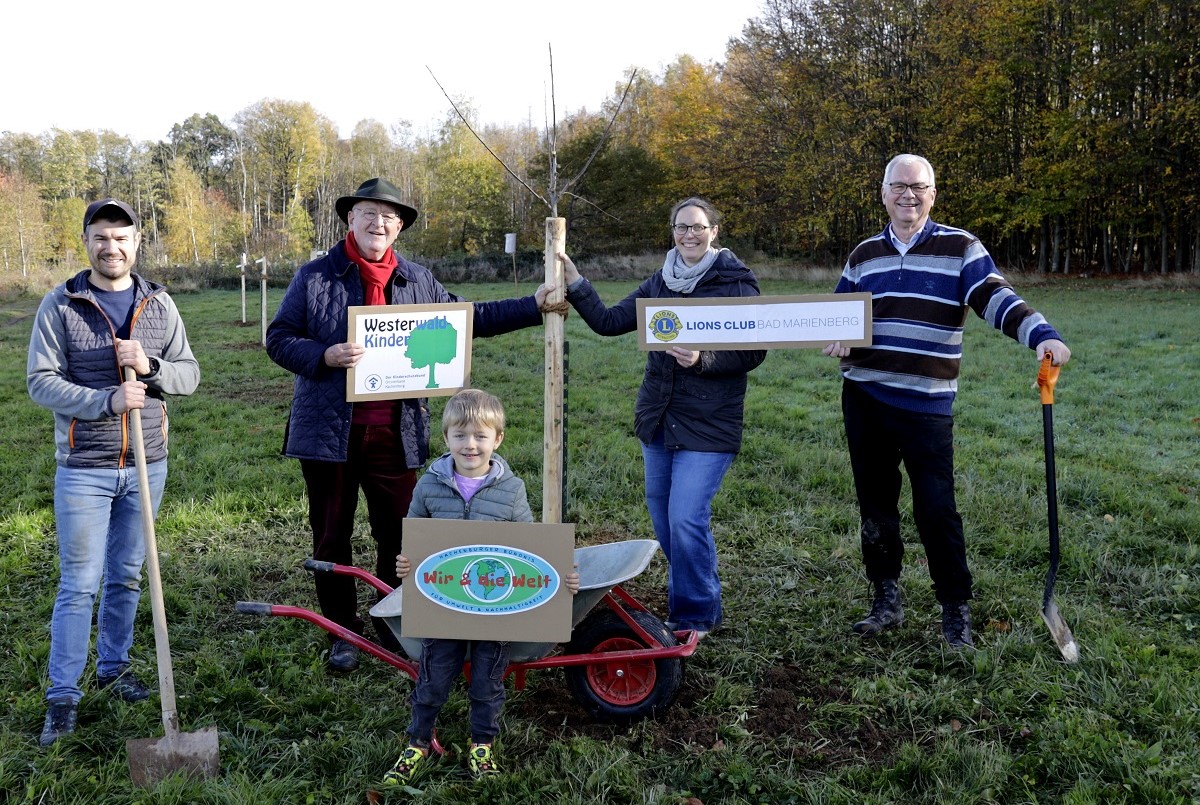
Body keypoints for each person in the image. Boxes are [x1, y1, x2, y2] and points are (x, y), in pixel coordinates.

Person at [266, 178, 553, 673]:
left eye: (389, 216)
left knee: (399, 534)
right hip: (329, 433)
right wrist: (324, 354)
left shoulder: (418, 280)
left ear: (399, 227)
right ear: (350, 219)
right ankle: (342, 630)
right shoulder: (314, 278)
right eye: (369, 213)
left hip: (395, 432)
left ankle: (391, 621)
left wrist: (534, 304)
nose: (379, 223)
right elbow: (278, 338)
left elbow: (471, 319)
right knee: (331, 536)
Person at [823, 154, 1072, 649]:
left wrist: (1040, 334)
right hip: (865, 398)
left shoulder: (960, 247)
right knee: (875, 506)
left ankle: (955, 610)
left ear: (933, 194)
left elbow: (996, 297)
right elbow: (835, 314)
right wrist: (837, 335)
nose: (907, 195)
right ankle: (885, 599)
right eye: (898, 186)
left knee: (936, 508)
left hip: (925, 405)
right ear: (883, 193)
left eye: (918, 187)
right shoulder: (863, 254)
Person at [27, 198, 201, 746]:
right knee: (79, 584)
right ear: (87, 242)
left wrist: (150, 369)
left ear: (136, 242)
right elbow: (41, 381)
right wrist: (106, 399)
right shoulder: (61, 305)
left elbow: (190, 375)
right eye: (102, 237)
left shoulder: (159, 304)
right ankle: (62, 698)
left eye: (121, 237)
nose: (112, 247)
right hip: (85, 467)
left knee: (126, 575)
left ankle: (114, 667)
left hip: (148, 463)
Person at [557, 197, 766, 639]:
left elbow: (754, 350)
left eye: (697, 226)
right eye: (680, 227)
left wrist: (701, 358)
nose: (689, 234)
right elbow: (610, 322)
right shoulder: (660, 282)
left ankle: (695, 613)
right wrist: (576, 282)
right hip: (660, 418)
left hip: (710, 423)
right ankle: (696, 592)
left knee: (686, 516)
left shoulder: (736, 284)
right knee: (664, 518)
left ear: (714, 231)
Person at [382, 388, 579, 784]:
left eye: (480, 436)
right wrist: (406, 562)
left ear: (498, 439)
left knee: (488, 680)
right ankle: (417, 742)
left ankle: (482, 744)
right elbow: (414, 535)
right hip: (444, 605)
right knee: (433, 677)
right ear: (446, 439)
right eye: (460, 436)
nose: (470, 445)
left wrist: (560, 573)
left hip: (496, 609)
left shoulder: (511, 490)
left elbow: (530, 545)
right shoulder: (428, 486)